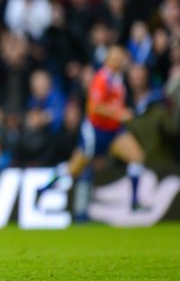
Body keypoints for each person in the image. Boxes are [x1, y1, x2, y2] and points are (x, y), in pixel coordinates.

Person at [37, 45, 146, 212]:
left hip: (114, 131)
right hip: (96, 131)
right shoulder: (102, 79)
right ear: (108, 60)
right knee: (74, 168)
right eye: (116, 57)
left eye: (121, 57)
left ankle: (134, 202)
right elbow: (95, 107)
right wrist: (120, 113)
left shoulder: (118, 79)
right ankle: (45, 188)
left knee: (137, 156)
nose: (120, 60)